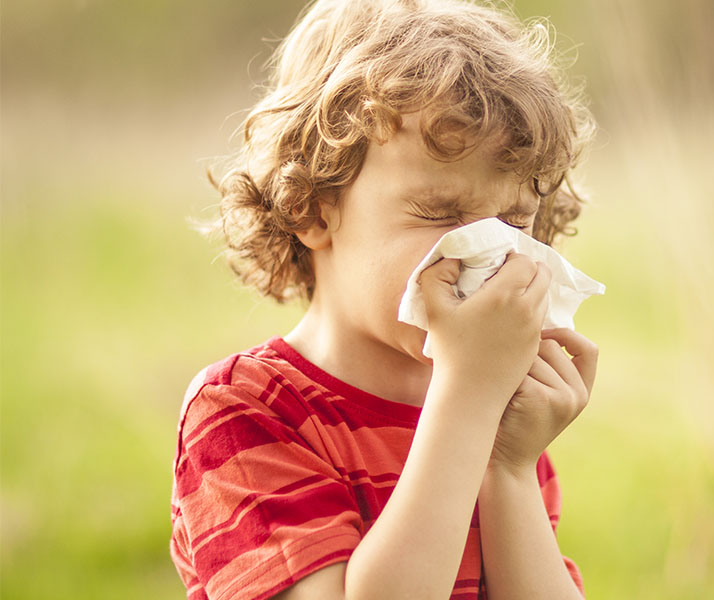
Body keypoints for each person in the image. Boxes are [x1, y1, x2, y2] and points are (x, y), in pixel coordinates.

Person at [169, 0, 597, 598]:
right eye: (439, 214)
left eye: (516, 223)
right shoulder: (244, 414)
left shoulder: (499, 418)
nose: (485, 252)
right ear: (313, 209)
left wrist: (510, 469)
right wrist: (469, 397)